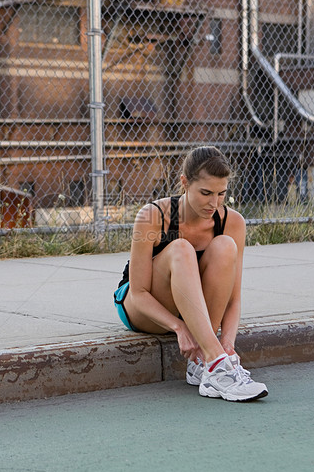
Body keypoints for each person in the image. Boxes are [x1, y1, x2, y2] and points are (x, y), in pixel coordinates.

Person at [114, 146, 268, 402]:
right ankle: (217, 365)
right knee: (181, 248)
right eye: (205, 193)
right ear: (185, 183)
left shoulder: (232, 222)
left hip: (194, 309)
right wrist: (179, 327)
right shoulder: (153, 216)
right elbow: (139, 293)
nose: (214, 203)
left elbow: (233, 298)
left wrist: (227, 343)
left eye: (221, 194)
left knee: (225, 246)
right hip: (144, 306)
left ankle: (206, 363)